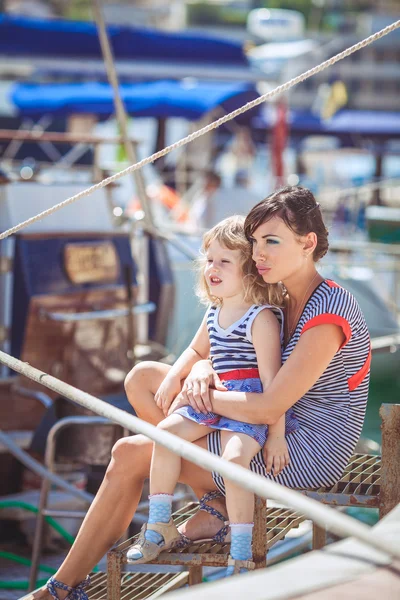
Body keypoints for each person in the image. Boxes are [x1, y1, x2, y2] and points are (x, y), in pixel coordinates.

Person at [31, 186, 370, 600]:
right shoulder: (279, 293)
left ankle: (60, 589)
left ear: (308, 243)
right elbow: (232, 353)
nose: (258, 253)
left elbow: (269, 407)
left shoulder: (327, 312)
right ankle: (218, 504)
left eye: (272, 242)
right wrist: (205, 368)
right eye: (256, 242)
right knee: (143, 379)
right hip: (260, 424)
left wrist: (203, 392)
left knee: (129, 454)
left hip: (303, 450)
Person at [125, 215, 298, 573]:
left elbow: (274, 383)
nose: (212, 268)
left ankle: (239, 547)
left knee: (235, 460)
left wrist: (276, 435)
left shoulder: (260, 318)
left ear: (249, 270)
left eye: (224, 261)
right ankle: (159, 523)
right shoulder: (213, 312)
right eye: (209, 259)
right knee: (166, 435)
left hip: (247, 408)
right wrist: (175, 377)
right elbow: (194, 352)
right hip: (213, 401)